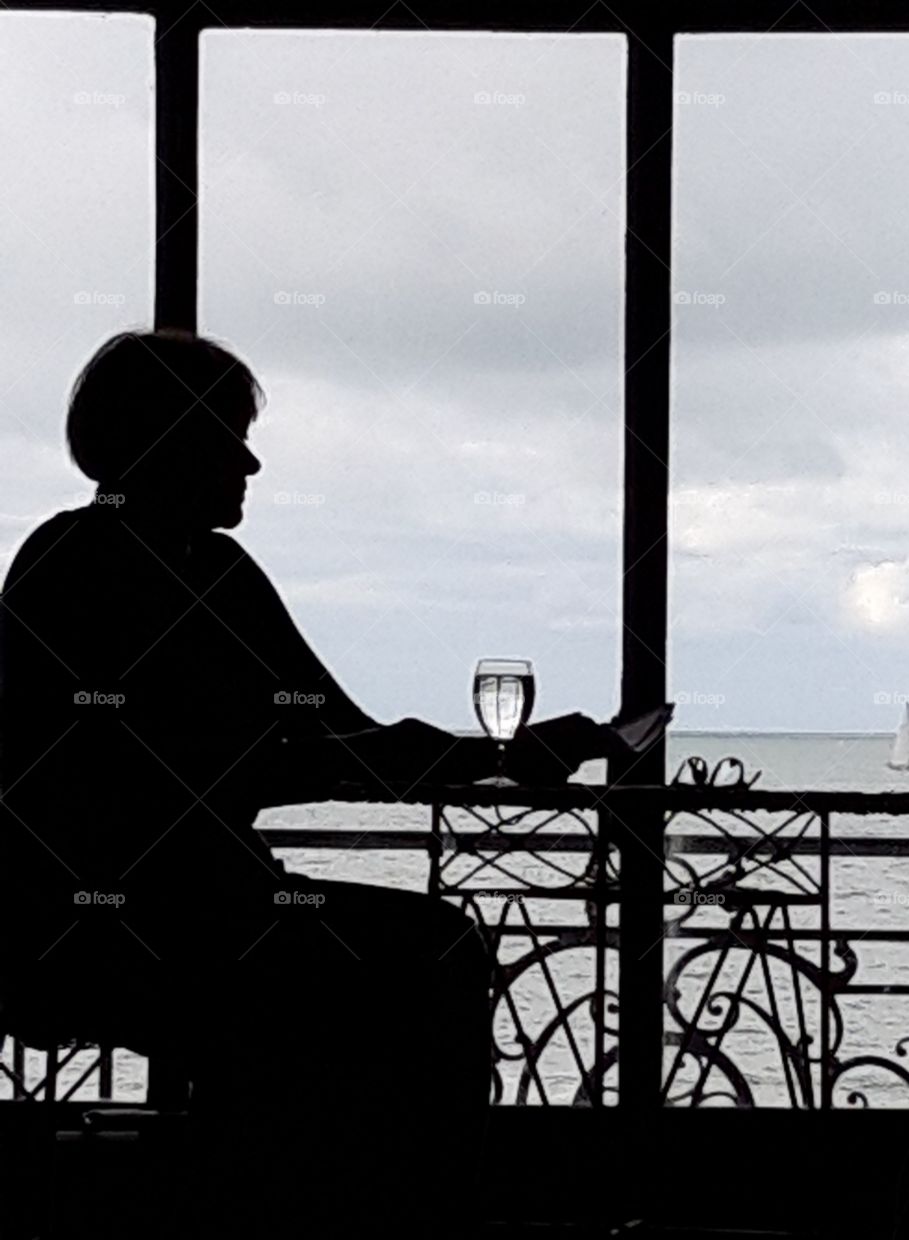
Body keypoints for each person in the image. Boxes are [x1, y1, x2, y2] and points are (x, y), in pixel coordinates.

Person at [0, 329, 627, 1237]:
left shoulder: (138, 564)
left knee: (399, 961)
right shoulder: (135, 570)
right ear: (163, 439)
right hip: (138, 922)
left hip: (159, 909)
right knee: (432, 954)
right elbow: (317, 745)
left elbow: (327, 741)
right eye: (225, 431)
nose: (249, 460)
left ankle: (309, 1199)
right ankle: (396, 1213)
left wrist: (490, 757)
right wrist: (493, 757)